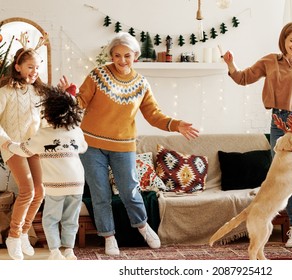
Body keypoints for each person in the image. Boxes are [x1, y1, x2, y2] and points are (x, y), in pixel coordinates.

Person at [59, 32, 199, 255]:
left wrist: (176, 124)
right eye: (117, 55)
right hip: (92, 145)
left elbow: (153, 115)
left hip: (123, 146)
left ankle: (143, 226)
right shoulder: (97, 75)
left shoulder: (141, 84)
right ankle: (108, 236)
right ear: (111, 55)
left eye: (127, 55)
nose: (122, 60)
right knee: (100, 193)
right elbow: (80, 103)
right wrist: (68, 94)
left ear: (135, 55)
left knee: (130, 190)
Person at [222, 21, 292, 247]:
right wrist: (231, 63)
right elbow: (242, 78)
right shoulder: (269, 61)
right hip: (277, 121)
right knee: (281, 176)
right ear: (284, 39)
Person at [2, 86, 88, 260]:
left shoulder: (44, 134)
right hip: (77, 185)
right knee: (71, 219)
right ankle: (69, 251)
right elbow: (84, 148)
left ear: (48, 114)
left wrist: (8, 145)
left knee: (50, 219)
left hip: (56, 186)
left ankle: (55, 251)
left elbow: (24, 150)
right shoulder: (76, 131)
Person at [0, 33, 49, 260]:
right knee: (27, 190)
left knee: (40, 191)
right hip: (11, 146)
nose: (35, 71)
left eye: (37, 67)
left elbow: (47, 120)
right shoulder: (5, 92)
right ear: (18, 67)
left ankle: (22, 233)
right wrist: (7, 142)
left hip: (33, 147)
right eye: (30, 66)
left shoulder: (39, 92)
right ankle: (13, 234)